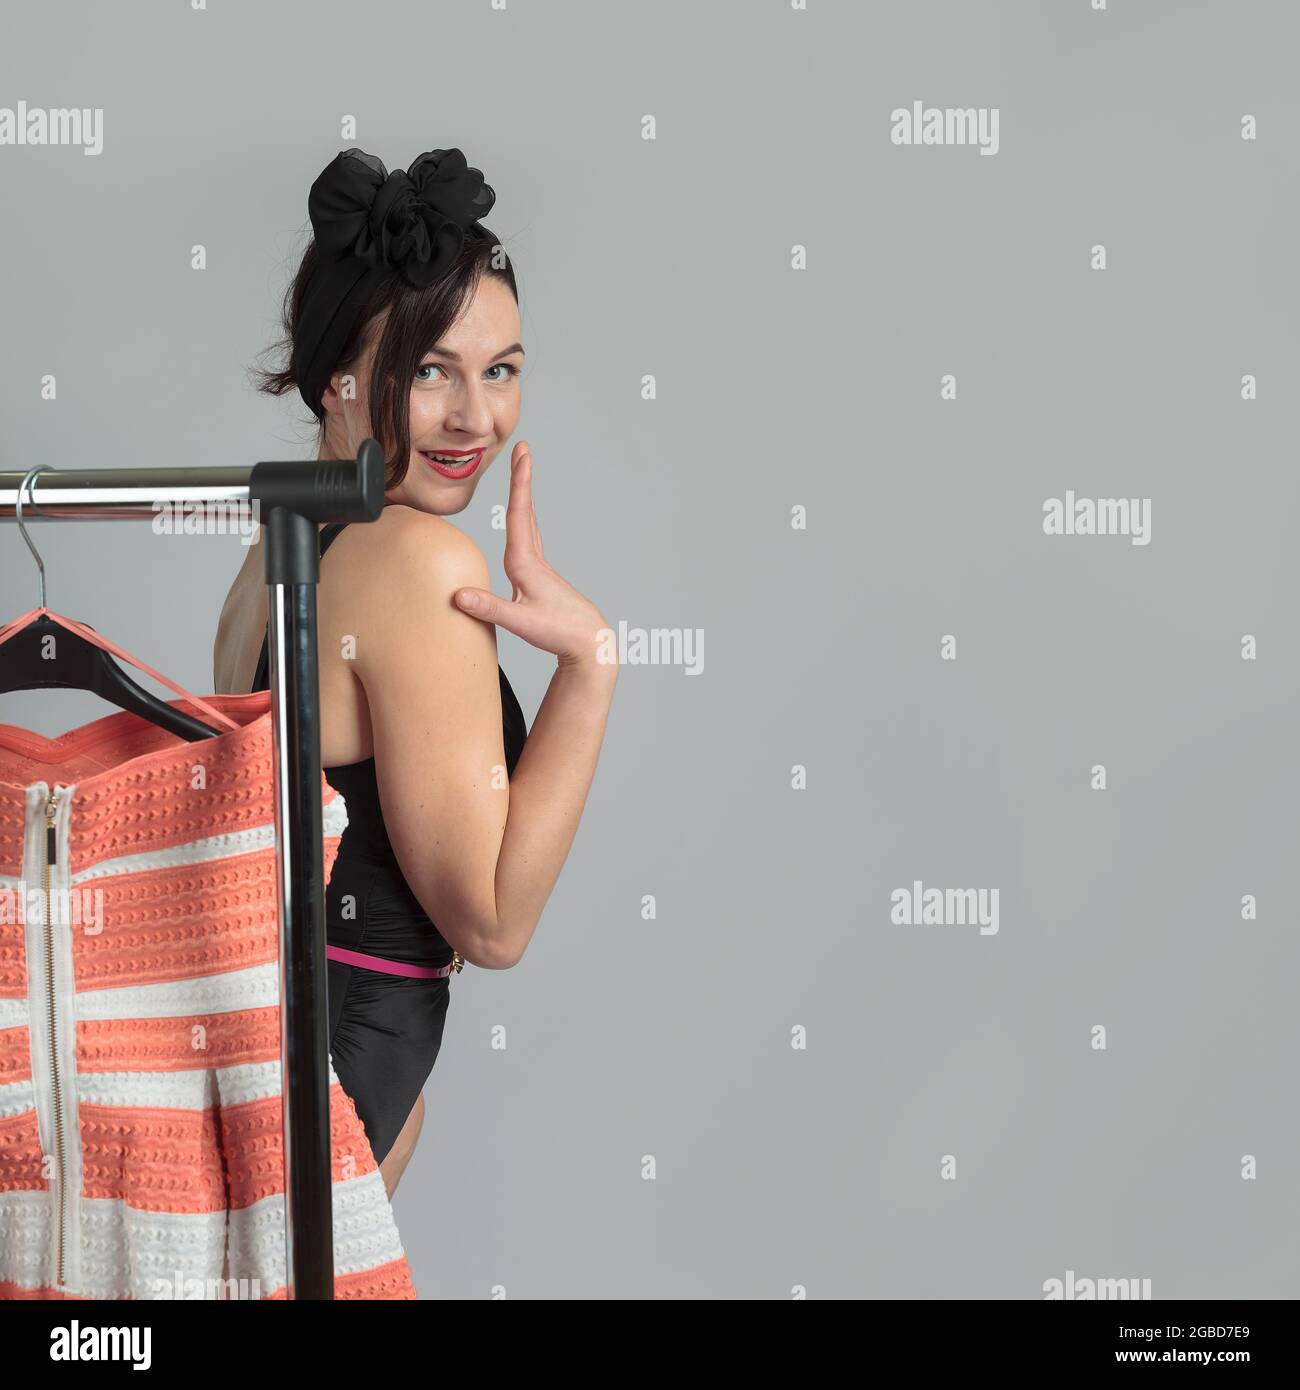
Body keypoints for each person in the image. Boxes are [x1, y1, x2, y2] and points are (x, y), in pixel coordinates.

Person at [213, 146, 618, 1199]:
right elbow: (490, 920)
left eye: (502, 370)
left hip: (271, 1046)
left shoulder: (273, 555)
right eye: (430, 370)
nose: (474, 419)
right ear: (337, 382)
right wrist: (588, 666)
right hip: (345, 1056)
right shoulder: (419, 560)